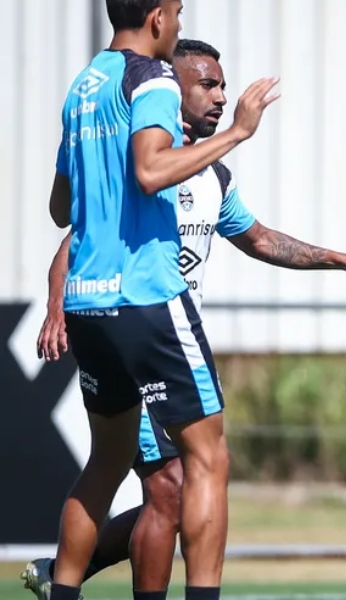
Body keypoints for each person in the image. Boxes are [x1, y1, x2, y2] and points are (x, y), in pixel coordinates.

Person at [22, 37, 346, 600]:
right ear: (167, 90)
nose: (221, 96)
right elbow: (75, 234)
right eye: (206, 84)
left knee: (161, 485)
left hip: (159, 330)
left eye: (222, 85)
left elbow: (259, 238)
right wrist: (55, 306)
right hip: (143, 323)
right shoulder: (143, 151)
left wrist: (340, 259)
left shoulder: (213, 177)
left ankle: (57, 573)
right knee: (172, 487)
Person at [45, 1, 282, 599]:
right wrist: (237, 133)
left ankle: (60, 590)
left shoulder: (83, 86)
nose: (177, 23)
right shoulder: (150, 77)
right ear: (156, 18)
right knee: (207, 459)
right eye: (175, 12)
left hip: (89, 303)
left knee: (106, 464)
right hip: (146, 296)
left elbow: (59, 207)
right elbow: (150, 171)